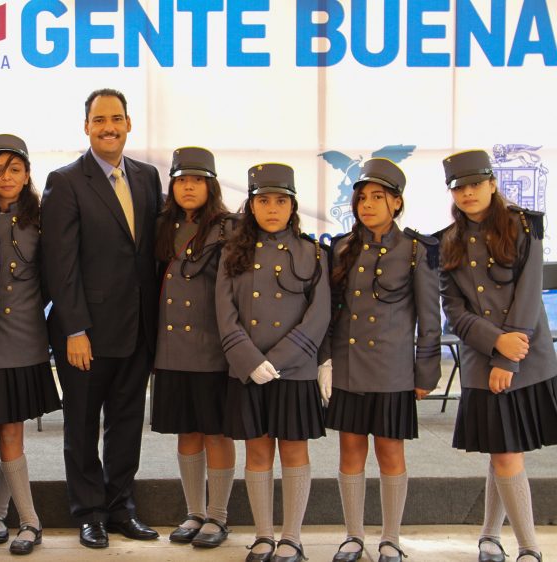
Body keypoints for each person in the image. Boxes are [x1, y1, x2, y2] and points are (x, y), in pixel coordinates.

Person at [40, 88, 163, 548]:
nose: (108, 127)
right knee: (83, 425)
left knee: (127, 424)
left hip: (137, 330)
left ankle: (120, 508)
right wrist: (74, 328)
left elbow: (151, 254)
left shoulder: (149, 177)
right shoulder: (66, 181)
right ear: (86, 127)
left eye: (116, 118)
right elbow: (60, 264)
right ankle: (88, 512)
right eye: (99, 120)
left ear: (128, 123)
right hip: (85, 334)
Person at [438, 150, 557, 562]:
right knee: (501, 450)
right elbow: (454, 311)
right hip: (479, 358)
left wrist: (508, 355)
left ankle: (526, 548)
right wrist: (494, 343)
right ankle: (495, 537)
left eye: (475, 184)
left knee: (505, 452)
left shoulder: (525, 226)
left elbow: (529, 292)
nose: (468, 193)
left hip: (525, 356)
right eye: (459, 187)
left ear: (492, 184)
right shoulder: (447, 242)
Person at [322, 158, 441, 562]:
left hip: (393, 372)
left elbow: (429, 318)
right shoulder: (340, 248)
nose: (367, 205)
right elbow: (331, 313)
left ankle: (391, 538)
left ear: (397, 202)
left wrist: (426, 371)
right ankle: (353, 536)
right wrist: (326, 362)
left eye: (378, 197)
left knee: (391, 453)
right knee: (350, 452)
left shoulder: (415, 250)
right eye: (362, 198)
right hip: (350, 369)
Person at [216, 163, 330, 562]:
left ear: (293, 205)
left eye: (281, 200)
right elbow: (224, 311)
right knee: (258, 453)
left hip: (293, 370)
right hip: (248, 372)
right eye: (263, 200)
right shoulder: (232, 251)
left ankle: (292, 537)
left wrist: (278, 360)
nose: (272, 208)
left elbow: (319, 315)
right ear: (251, 205)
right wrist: (249, 361)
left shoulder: (313, 251)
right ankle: (264, 536)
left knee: (294, 452)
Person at [0, 134, 62, 555]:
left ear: (27, 173)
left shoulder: (43, 219)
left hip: (23, 340)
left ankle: (29, 521)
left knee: (11, 428)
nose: (5, 176)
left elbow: (53, 279)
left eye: (14, 168)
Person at [151, 147, 236, 548]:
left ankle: (218, 516)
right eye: (182, 179)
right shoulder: (162, 227)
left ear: (211, 185)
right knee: (186, 432)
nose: (188, 186)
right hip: (172, 349)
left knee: (216, 433)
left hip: (213, 349)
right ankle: (194, 512)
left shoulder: (229, 228)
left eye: (197, 180)